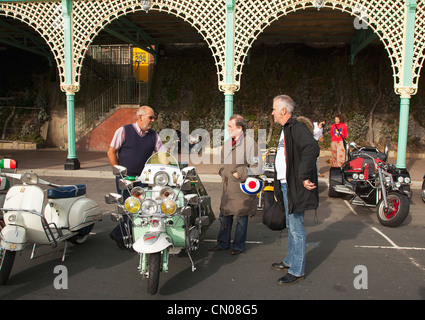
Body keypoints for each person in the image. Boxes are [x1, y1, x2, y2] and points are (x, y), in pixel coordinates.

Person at [271, 95, 320, 285]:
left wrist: (304, 176)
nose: (272, 112)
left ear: (284, 110)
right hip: (285, 184)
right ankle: (289, 261)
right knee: (292, 227)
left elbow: (312, 147)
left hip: (293, 186)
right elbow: (283, 160)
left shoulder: (296, 127)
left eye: (274, 109)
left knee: (297, 229)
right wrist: (277, 187)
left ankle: (297, 270)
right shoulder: (286, 129)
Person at [107, 105, 166, 249]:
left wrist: (169, 168)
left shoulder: (154, 135)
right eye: (150, 117)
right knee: (130, 209)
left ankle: (125, 234)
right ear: (140, 117)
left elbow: (163, 155)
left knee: (144, 209)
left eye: (153, 117)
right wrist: (119, 173)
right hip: (125, 179)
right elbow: (111, 151)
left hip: (143, 179)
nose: (153, 120)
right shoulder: (124, 131)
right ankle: (121, 235)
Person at [209, 114, 259, 255]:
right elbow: (223, 163)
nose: (228, 129)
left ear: (239, 128)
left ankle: (238, 246)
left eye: (230, 126)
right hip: (227, 189)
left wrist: (240, 172)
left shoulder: (251, 145)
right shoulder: (227, 143)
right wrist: (221, 170)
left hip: (241, 188)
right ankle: (222, 243)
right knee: (225, 216)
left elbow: (256, 167)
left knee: (241, 219)